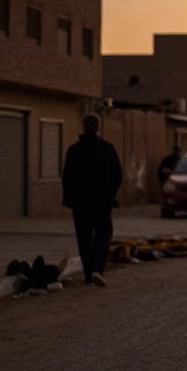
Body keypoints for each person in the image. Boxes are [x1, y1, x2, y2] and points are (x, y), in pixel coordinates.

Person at [61, 114, 123, 287]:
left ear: (83, 128)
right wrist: (111, 194)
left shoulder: (74, 151)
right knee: (103, 235)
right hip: (102, 203)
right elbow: (117, 175)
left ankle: (89, 273)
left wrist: (72, 196)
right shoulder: (107, 149)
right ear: (97, 128)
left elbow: (66, 177)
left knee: (84, 238)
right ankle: (97, 269)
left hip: (80, 204)